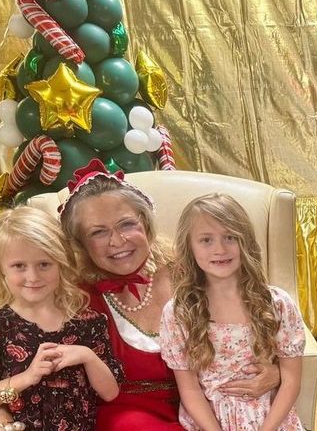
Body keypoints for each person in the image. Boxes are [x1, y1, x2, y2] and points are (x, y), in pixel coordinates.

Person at [56, 159, 281, 430]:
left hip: (216, 406)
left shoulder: (195, 271)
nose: (117, 241)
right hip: (132, 415)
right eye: (98, 232)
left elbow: (262, 321)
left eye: (126, 225)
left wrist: (278, 372)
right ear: (81, 243)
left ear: (146, 223)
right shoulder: (77, 298)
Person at [0, 206, 123, 430]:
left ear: (61, 264)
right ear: (1, 269)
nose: (33, 276)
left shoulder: (89, 322)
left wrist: (87, 356)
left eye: (44, 264)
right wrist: (26, 378)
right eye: (19, 266)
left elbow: (110, 393)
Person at [159, 193, 305, 430]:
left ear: (245, 241)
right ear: (189, 247)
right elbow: (190, 390)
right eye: (206, 240)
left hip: (271, 422)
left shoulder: (277, 303)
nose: (220, 249)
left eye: (230, 237)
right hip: (210, 424)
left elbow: (291, 382)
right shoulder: (178, 312)